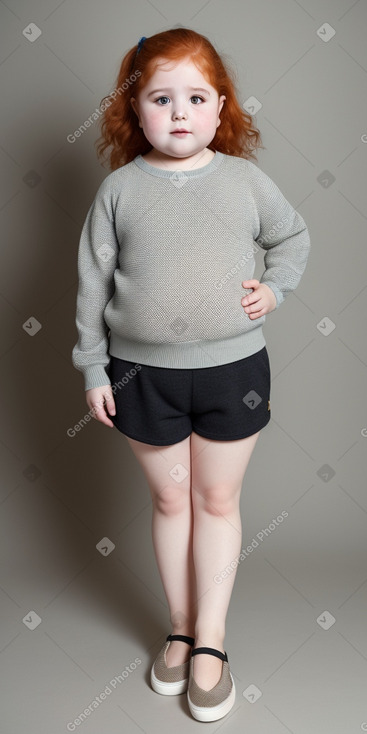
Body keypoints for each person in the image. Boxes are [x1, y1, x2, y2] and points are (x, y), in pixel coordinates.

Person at [71, 27, 311, 723]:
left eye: (195, 98)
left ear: (220, 108)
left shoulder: (244, 180)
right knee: (171, 504)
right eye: (160, 98)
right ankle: (179, 629)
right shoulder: (118, 191)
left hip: (233, 371)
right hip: (139, 377)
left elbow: (290, 238)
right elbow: (90, 286)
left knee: (216, 502)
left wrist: (275, 289)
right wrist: (92, 367)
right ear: (133, 112)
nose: (179, 112)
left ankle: (211, 640)